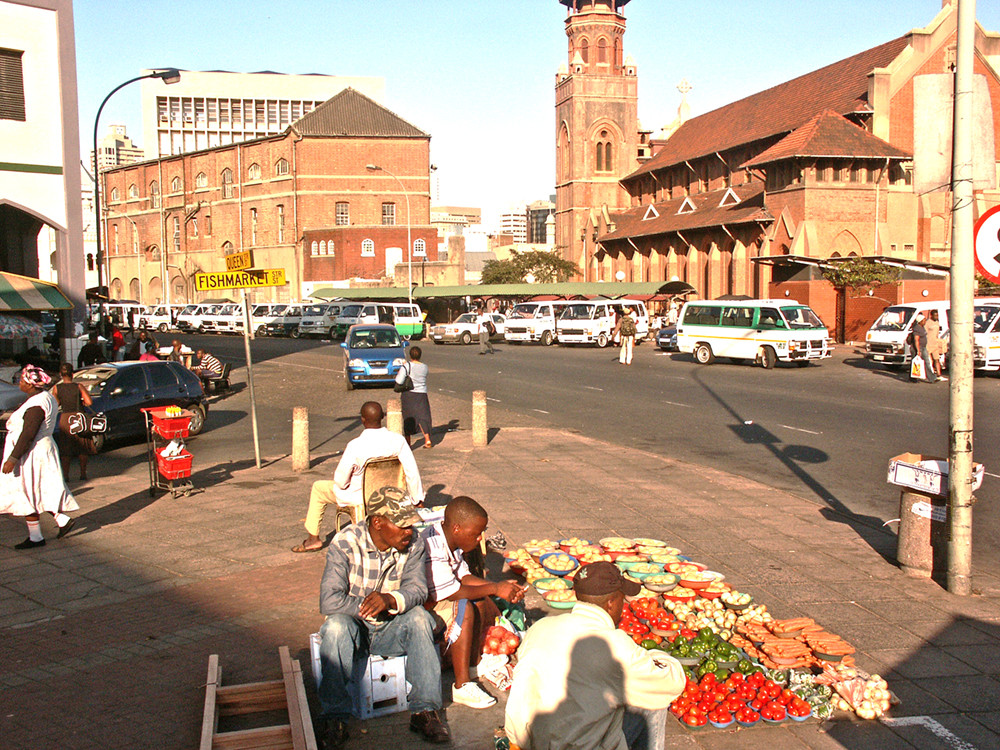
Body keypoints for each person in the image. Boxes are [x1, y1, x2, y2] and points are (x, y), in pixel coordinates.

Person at [316, 490, 449, 748]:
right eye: (402, 525)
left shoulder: (414, 544)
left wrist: (390, 600)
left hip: (391, 628)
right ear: (378, 522)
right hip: (355, 629)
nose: (408, 531)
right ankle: (334, 717)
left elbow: (418, 590)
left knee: (420, 618)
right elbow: (329, 600)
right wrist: (367, 607)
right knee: (335, 626)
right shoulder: (345, 543)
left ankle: (425, 712)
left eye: (410, 524)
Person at [505, 561, 685, 750]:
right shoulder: (613, 645)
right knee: (653, 699)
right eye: (622, 600)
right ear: (611, 603)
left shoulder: (540, 628)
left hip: (530, 743)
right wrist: (659, 656)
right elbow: (671, 683)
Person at [421, 496, 526, 709]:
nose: (480, 539)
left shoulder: (451, 540)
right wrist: (496, 588)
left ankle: (472, 661)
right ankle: (461, 686)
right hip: (423, 609)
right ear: (457, 528)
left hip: (441, 597)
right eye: (476, 533)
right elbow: (454, 592)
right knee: (464, 606)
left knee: (480, 598)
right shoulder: (432, 546)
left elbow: (465, 577)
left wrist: (499, 589)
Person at [292, 401, 424, 553]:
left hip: (360, 497)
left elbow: (340, 481)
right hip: (389, 495)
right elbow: (412, 472)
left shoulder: (355, 445)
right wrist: (416, 499)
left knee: (318, 488)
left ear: (362, 420)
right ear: (382, 417)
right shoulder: (398, 440)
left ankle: (313, 539)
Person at [0, 365, 80, 548]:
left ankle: (37, 536)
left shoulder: (37, 404)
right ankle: (61, 520)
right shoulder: (45, 398)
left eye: (21, 380)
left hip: (33, 453)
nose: (19, 383)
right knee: (40, 490)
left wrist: (12, 458)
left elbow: (28, 433)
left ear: (31, 384)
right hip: (41, 450)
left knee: (27, 491)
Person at [52, 363, 94, 481]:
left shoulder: (56, 388)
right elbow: (89, 402)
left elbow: (56, 404)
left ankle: (66, 475)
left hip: (65, 419)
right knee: (82, 446)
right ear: (72, 374)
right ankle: (83, 473)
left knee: (66, 448)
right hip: (79, 417)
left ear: (61, 374)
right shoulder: (79, 386)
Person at [396, 345, 433, 449]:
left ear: (410, 355)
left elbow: (399, 381)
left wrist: (403, 367)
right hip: (422, 394)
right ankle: (427, 439)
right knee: (423, 417)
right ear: (420, 356)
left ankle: (408, 444)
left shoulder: (406, 366)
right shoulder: (425, 367)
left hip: (409, 394)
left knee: (408, 417)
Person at [911, 313, 937, 383]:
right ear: (920, 321)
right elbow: (916, 340)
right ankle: (914, 378)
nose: (925, 321)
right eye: (924, 320)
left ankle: (932, 378)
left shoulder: (922, 327)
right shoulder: (917, 328)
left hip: (923, 347)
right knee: (916, 363)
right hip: (918, 348)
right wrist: (918, 350)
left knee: (926, 362)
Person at [925, 310, 947, 381]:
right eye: (935, 315)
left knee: (936, 359)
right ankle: (930, 375)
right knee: (929, 360)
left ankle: (938, 374)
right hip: (928, 344)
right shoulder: (927, 323)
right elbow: (925, 334)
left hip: (935, 344)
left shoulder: (937, 323)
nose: (936, 317)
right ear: (931, 315)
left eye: (937, 315)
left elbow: (937, 334)